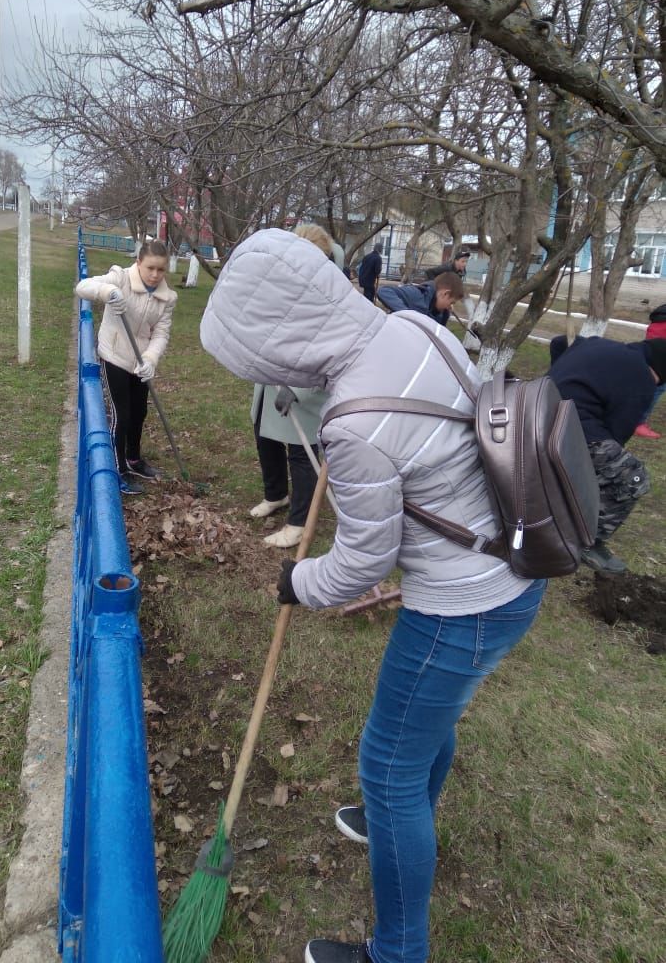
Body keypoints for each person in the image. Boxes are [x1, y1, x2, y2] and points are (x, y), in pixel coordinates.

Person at [200, 228, 545, 963]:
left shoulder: (354, 420)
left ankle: (396, 951)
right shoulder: (412, 325)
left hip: (462, 607)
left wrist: (297, 580)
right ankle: (401, 821)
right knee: (430, 722)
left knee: (387, 763)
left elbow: (363, 563)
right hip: (513, 579)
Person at [548, 333, 666, 572]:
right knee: (632, 477)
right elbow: (617, 434)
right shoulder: (641, 379)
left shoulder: (597, 343)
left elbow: (559, 341)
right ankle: (585, 540)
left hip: (538, 411)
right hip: (569, 430)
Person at [247, 223, 333, 548]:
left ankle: (298, 523)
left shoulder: (328, 297)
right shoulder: (282, 284)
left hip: (304, 389)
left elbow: (328, 352)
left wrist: (298, 389)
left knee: (301, 453)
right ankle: (276, 495)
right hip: (270, 380)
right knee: (264, 438)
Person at [75, 240, 177, 495]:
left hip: (140, 362)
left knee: (140, 411)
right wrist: (107, 293)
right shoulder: (120, 278)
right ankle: (117, 469)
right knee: (122, 415)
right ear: (139, 263)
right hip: (115, 356)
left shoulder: (167, 298)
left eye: (161, 270)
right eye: (150, 268)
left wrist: (151, 359)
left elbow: (160, 334)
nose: (155, 275)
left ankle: (134, 459)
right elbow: (82, 286)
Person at [377, 271, 464, 326]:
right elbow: (385, 291)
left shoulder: (440, 314)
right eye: (451, 302)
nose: (451, 307)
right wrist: (408, 314)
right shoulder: (417, 294)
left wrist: (445, 316)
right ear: (445, 294)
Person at [634, 303, 666, 438]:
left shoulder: (659, 316)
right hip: (660, 358)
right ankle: (638, 423)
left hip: (649, 353)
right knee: (657, 388)